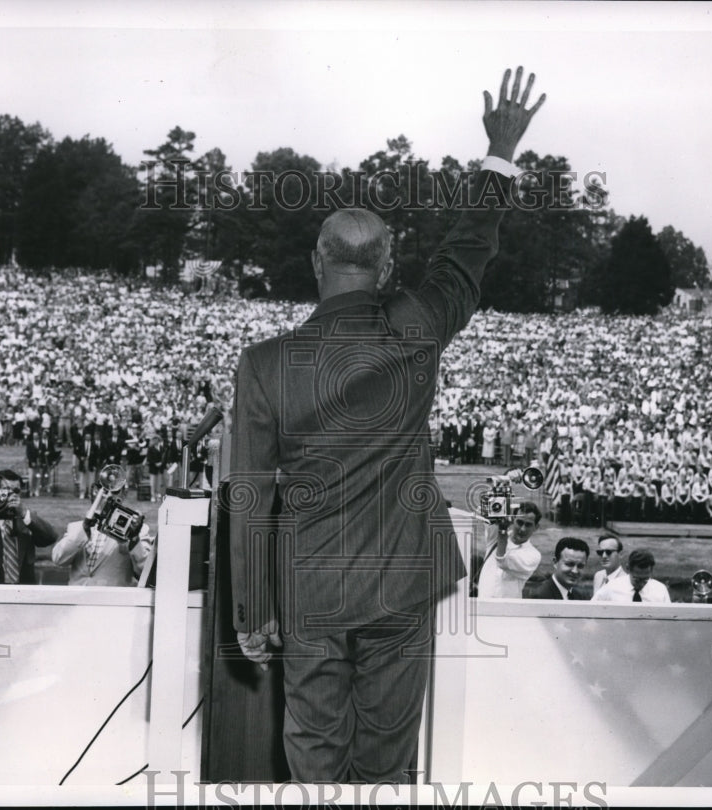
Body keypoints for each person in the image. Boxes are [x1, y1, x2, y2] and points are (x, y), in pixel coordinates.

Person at [228, 66, 546, 784]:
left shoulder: (265, 363)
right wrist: (499, 151)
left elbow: (247, 494)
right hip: (402, 578)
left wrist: (251, 609)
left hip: (310, 585)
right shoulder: (416, 326)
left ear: (317, 262)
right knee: (387, 759)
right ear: (389, 263)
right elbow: (468, 252)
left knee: (313, 749)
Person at [51, 519, 153, 586]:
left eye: (113, 491)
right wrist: (83, 531)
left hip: (113, 606)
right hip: (77, 602)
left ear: (123, 493)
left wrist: (134, 540)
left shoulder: (138, 530)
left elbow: (146, 571)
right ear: (91, 493)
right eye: (98, 488)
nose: (105, 495)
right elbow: (58, 559)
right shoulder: (76, 527)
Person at [476, 501, 542, 599]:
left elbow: (502, 560)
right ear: (512, 520)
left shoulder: (534, 555)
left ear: (536, 527)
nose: (523, 529)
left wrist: (503, 530)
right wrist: (492, 506)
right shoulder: (494, 538)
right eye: (519, 522)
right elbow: (487, 516)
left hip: (508, 610)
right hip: (482, 604)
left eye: (528, 525)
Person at [593, 548, 671, 603]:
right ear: (628, 569)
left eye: (645, 580)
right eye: (637, 579)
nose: (641, 584)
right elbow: (591, 609)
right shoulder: (611, 587)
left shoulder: (660, 590)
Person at [523, 536, 590, 600]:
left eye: (580, 566)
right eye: (569, 564)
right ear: (555, 562)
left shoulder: (581, 597)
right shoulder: (539, 596)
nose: (575, 571)